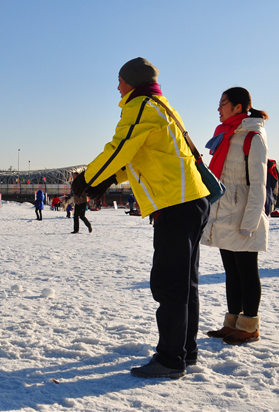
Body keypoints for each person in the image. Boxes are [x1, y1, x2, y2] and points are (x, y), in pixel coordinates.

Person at [72, 57, 209, 379]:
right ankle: (185, 351)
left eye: (120, 80)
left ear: (132, 81)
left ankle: (170, 360)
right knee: (185, 283)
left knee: (169, 284)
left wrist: (87, 179)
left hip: (175, 202)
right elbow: (137, 157)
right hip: (191, 199)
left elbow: (119, 147)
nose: (117, 86)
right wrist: (107, 178)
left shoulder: (141, 107)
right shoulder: (161, 107)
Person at [202, 87, 269, 346]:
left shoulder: (253, 136)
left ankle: (249, 326)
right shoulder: (226, 134)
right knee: (231, 271)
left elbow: (258, 184)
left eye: (223, 103)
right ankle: (232, 323)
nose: (218, 109)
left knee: (247, 270)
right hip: (225, 210)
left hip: (242, 213)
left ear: (238, 107)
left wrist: (250, 223)